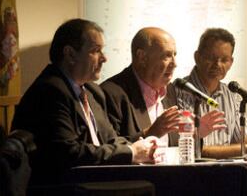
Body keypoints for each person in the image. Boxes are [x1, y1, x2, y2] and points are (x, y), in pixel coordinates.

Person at [11, 19, 156, 185]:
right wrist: (130, 152)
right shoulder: (49, 92)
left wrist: (142, 146)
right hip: (65, 187)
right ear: (70, 54)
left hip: (94, 182)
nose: (104, 58)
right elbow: (68, 153)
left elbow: (110, 138)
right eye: (96, 51)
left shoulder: (92, 90)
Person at [101, 27, 225, 147]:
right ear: (142, 57)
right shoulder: (110, 93)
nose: (174, 64)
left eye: (174, 55)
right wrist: (150, 134)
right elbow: (110, 149)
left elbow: (173, 145)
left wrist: (193, 134)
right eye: (167, 55)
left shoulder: (169, 90)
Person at [167, 28, 247, 159]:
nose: (217, 65)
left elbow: (246, 141)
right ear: (197, 57)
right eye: (211, 58)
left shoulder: (233, 95)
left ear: (231, 63)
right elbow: (191, 148)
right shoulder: (175, 92)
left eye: (224, 60)